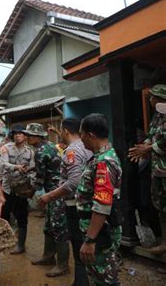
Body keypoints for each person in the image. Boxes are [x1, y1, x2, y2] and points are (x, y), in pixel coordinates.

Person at [39, 118, 92, 285]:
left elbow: (73, 182)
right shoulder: (87, 146)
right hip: (85, 203)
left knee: (75, 243)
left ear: (66, 131)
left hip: (73, 203)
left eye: (60, 131)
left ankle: (80, 281)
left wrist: (50, 196)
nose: (59, 134)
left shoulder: (72, 151)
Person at [77, 114, 123, 285]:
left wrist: (90, 240)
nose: (80, 138)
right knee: (96, 275)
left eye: (81, 134)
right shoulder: (98, 157)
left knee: (104, 278)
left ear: (91, 135)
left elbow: (102, 205)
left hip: (100, 231)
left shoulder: (104, 162)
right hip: (95, 228)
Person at [25, 123, 69, 277]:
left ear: (37, 136)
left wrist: (30, 192)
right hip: (57, 189)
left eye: (30, 135)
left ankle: (63, 265)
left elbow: (40, 179)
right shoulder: (50, 145)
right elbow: (49, 165)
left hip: (56, 192)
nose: (27, 137)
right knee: (49, 224)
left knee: (58, 226)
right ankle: (48, 256)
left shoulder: (40, 152)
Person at [129, 84, 166, 255]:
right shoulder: (158, 116)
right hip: (158, 170)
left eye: (152, 97)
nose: (150, 100)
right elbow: (151, 136)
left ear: (160, 99)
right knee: (160, 205)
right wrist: (143, 146)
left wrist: (149, 149)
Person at [0, 124, 35, 255]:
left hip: (22, 189)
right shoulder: (6, 149)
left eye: (20, 134)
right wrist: (17, 167)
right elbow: (4, 164)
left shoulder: (30, 152)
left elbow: (32, 169)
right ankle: (3, 242)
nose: (17, 136)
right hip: (7, 188)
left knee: (22, 217)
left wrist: (31, 184)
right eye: (15, 134)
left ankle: (20, 245)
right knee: (4, 216)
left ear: (25, 136)